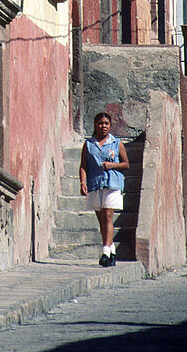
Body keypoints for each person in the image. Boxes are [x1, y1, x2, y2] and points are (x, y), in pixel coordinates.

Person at [79, 111, 129, 267]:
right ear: (95, 125)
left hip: (112, 183)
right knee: (101, 220)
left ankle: (105, 252)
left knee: (108, 217)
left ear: (110, 125)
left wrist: (112, 165)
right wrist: (82, 183)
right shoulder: (88, 145)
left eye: (106, 123)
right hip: (95, 183)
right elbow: (83, 166)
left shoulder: (117, 143)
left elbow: (126, 164)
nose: (103, 126)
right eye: (100, 123)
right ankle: (112, 249)